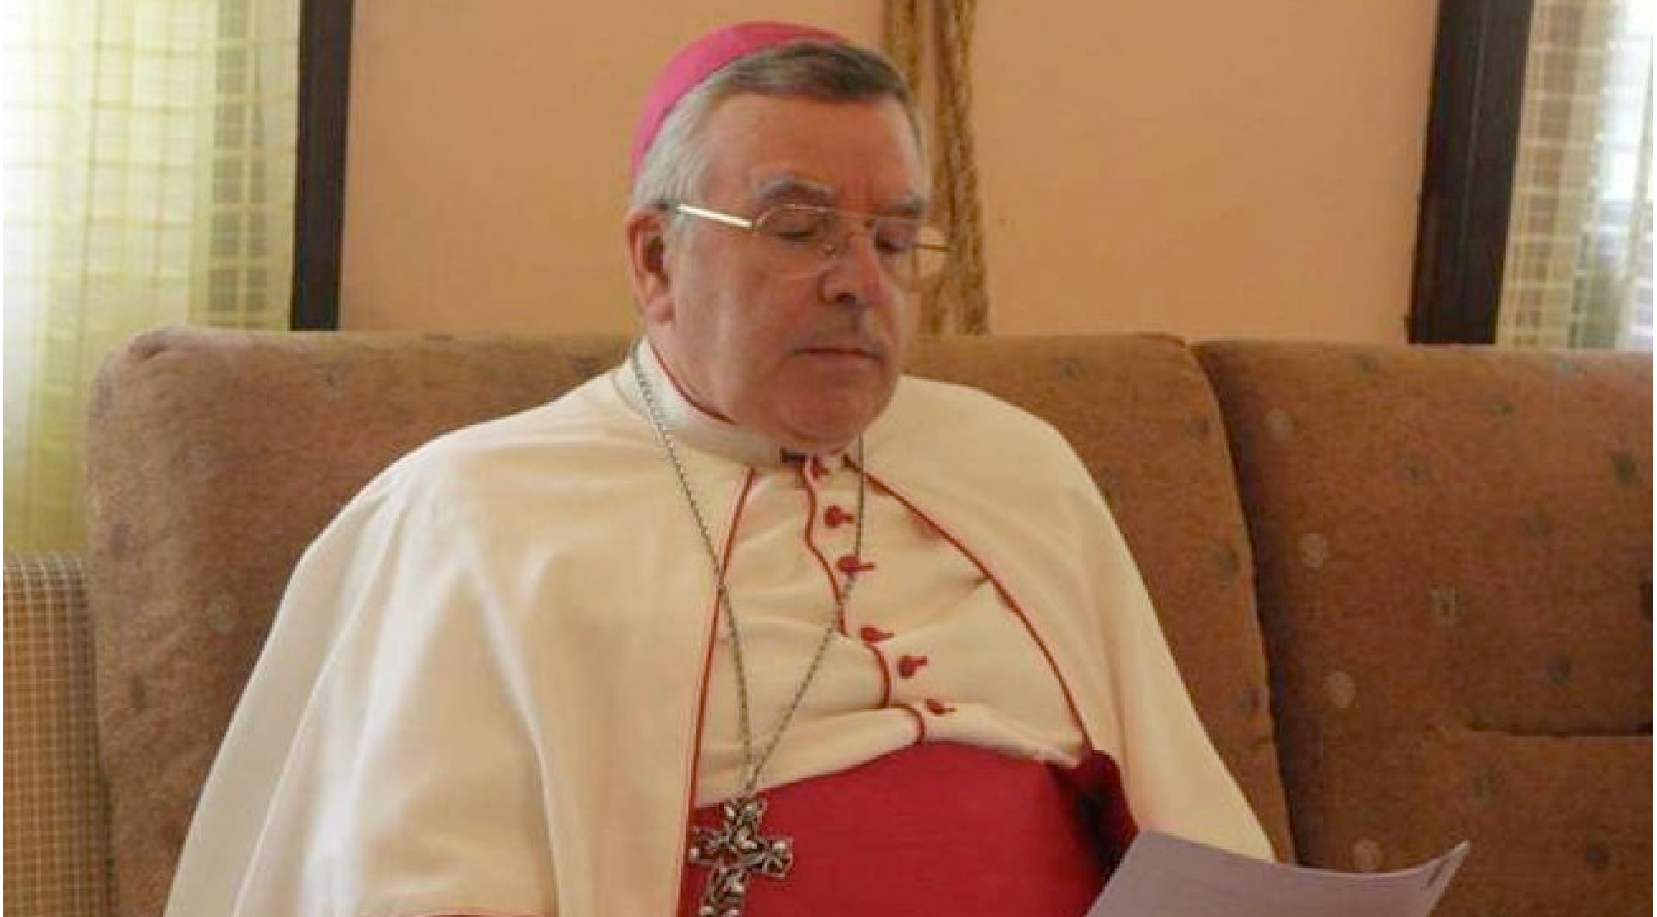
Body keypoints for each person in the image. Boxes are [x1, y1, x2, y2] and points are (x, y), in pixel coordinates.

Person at [163, 21, 1272, 917]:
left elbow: (1188, 837)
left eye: (893, 239)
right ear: (656, 258)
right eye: (796, 228)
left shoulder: (1017, 463)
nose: (858, 281)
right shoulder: (475, 514)